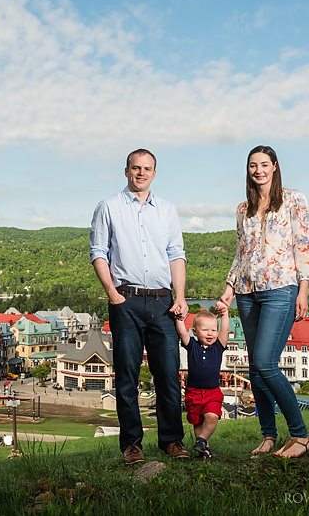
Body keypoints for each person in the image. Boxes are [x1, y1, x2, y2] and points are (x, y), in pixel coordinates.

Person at [90, 149, 190, 463]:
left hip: (163, 301)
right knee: (127, 377)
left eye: (147, 169)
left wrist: (181, 296)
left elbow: (177, 255)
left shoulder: (167, 211)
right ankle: (132, 445)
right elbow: (98, 252)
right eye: (136, 168)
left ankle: (172, 441)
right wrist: (112, 293)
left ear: (154, 174)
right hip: (126, 300)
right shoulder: (108, 207)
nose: (141, 173)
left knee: (169, 376)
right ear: (126, 171)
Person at [215, 145, 309, 459]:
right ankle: (269, 436)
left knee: (266, 364)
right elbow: (240, 255)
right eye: (252, 165)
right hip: (246, 293)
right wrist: (230, 289)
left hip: (280, 290)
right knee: (255, 370)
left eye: (263, 164)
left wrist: (303, 290)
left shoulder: (293, 199)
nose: (258, 170)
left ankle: (300, 436)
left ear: (274, 166)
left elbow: (304, 245)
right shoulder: (242, 209)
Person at [175, 308, 229, 459]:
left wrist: (225, 314)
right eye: (205, 330)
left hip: (212, 392)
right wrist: (180, 318)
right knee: (198, 422)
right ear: (195, 331)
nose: (210, 333)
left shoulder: (218, 347)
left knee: (212, 416)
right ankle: (204, 451)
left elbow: (225, 330)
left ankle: (202, 440)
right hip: (193, 392)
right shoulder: (192, 346)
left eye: (213, 330)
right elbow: (182, 333)